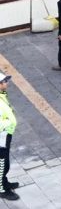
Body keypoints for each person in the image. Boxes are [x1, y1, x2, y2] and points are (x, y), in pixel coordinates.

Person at [0, 70, 19, 201]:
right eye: (4, 81)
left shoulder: (2, 94)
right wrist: (8, 123)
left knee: (5, 161)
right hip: (2, 134)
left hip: (6, 133)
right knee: (2, 162)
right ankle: (1, 189)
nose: (7, 83)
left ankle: (4, 181)